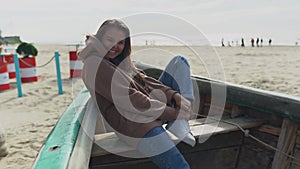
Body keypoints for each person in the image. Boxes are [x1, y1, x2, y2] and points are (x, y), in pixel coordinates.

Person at [78, 19, 195, 169]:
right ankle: (179, 120)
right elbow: (134, 101)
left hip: (147, 111)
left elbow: (145, 82)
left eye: (120, 42)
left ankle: (180, 122)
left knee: (179, 62)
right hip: (135, 126)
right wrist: (173, 113)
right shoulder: (95, 64)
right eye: (110, 40)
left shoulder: (114, 60)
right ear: (100, 38)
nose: (115, 46)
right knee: (179, 166)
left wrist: (174, 96)